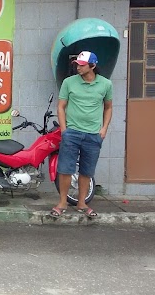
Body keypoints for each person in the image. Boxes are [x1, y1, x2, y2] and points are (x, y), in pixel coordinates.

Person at [50, 51, 113, 219]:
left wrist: (104, 129)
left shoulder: (105, 84)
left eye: (82, 65)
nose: (78, 67)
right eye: (77, 64)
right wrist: (64, 130)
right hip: (72, 132)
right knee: (65, 169)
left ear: (92, 66)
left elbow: (108, 107)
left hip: (93, 134)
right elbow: (61, 106)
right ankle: (62, 202)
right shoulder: (69, 82)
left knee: (87, 170)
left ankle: (82, 203)